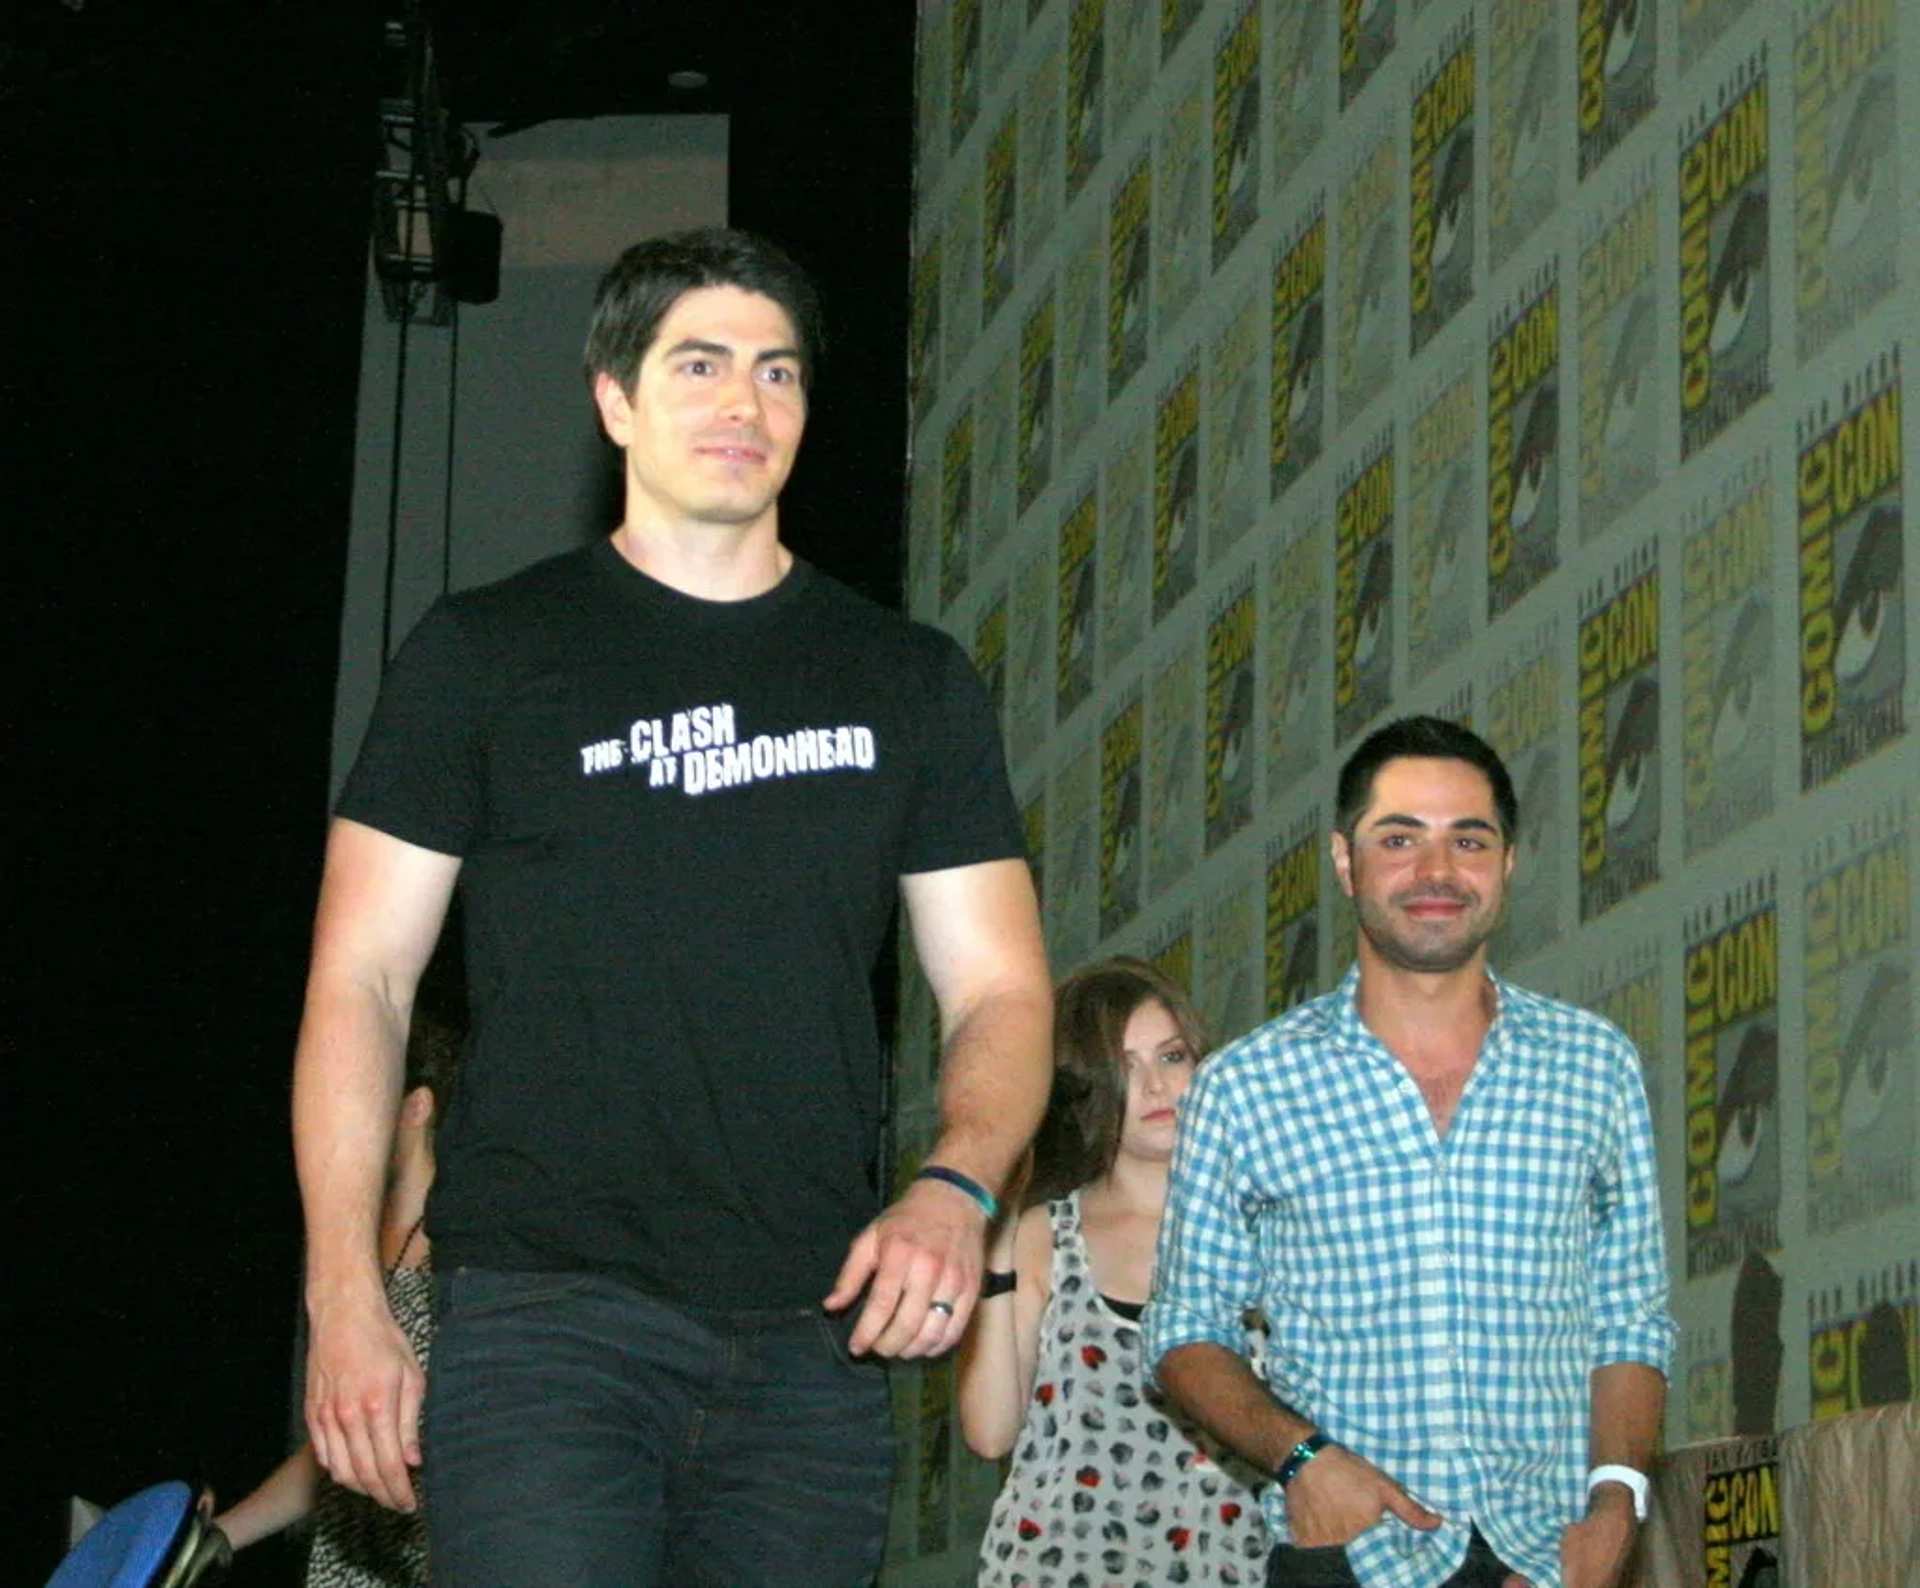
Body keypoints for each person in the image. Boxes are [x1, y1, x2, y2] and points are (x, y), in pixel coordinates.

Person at [292, 227, 1053, 1586]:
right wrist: (344, 1291)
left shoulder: (910, 680)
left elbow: (999, 989)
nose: (743, 402)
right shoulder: (485, 655)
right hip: (540, 1314)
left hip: (813, 1339)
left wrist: (956, 1182)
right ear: (614, 398)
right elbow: (360, 982)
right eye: (699, 364)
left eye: (778, 373)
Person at [1144, 716, 1674, 1588]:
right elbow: (1183, 1330)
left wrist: (1615, 1504)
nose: (1437, 872)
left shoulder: (1596, 1066)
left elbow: (1629, 1318)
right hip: (1349, 1557)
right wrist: (1303, 1457)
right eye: (1400, 839)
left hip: (1547, 1563)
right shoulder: (1247, 1085)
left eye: (1469, 840)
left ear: (1507, 864)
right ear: (1345, 862)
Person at [960, 957, 1268, 1586]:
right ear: (1085, 1089)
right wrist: (997, 1243)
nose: (1156, 1087)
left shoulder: (1273, 1226)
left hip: (1240, 1562)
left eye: (1172, 1056)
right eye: (1125, 1068)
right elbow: (991, 1433)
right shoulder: (1043, 1235)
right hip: (1061, 1565)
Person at [215, 1010, 460, 1586]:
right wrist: (220, 1535)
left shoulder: (466, 1249)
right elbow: (338, 1436)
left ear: (417, 1107)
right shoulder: (343, 1264)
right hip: (342, 1572)